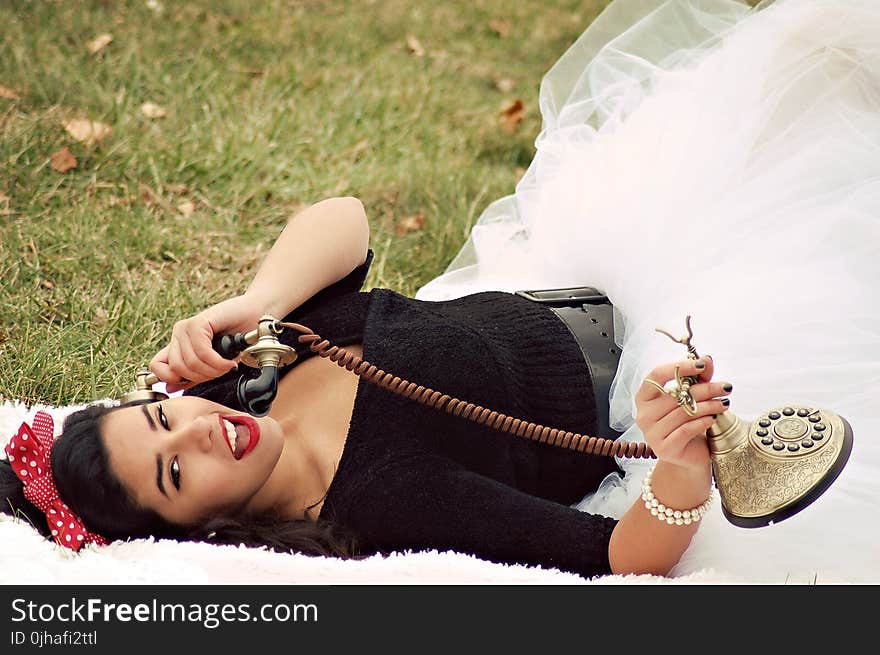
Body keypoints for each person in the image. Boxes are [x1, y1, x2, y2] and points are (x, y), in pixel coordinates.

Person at [3, 0, 878, 582]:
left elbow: (344, 220)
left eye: (162, 419)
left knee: (786, 70)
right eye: (174, 472)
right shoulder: (382, 501)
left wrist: (255, 301)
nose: (197, 433)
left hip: (586, 268)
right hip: (634, 369)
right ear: (193, 529)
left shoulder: (243, 376)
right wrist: (681, 467)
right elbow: (619, 554)